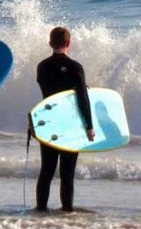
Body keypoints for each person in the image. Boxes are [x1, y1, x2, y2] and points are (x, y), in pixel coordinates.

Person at [34, 27, 95, 212]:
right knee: (67, 174)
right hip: (71, 124)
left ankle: (41, 210)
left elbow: (51, 90)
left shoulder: (42, 66)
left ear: (50, 43)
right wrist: (89, 126)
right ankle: (67, 212)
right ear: (69, 43)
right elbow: (82, 99)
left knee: (46, 171)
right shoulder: (76, 67)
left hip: (49, 122)